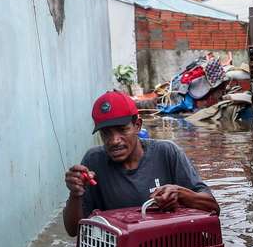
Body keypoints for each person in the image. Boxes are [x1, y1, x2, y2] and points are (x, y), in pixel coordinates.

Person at [63, 90, 219, 236]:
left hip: (169, 245)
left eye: (122, 130)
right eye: (106, 133)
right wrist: (75, 194)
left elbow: (213, 208)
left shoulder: (167, 153)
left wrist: (181, 194)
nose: (114, 140)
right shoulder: (94, 161)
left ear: (137, 125)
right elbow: (73, 231)